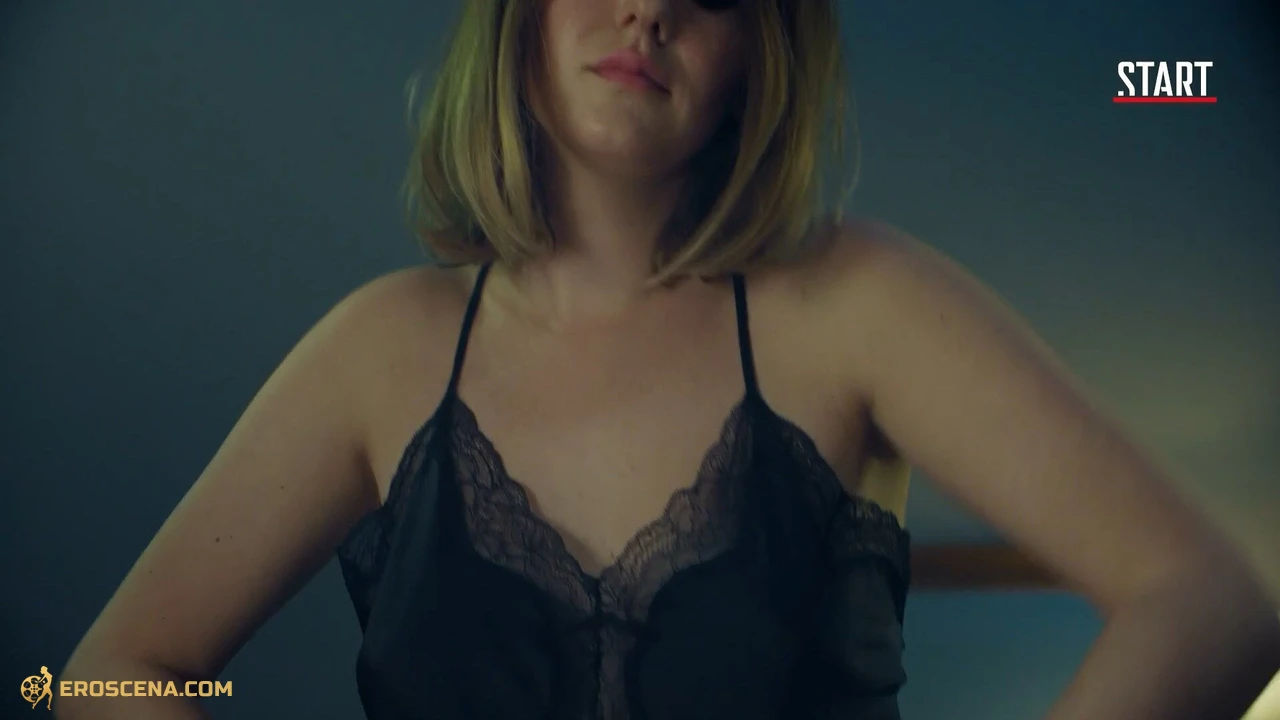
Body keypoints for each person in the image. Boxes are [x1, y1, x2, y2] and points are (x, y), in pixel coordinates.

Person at [60, 0, 1279, 718]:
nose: (649, 8)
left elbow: (1210, 603)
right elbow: (110, 675)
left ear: (760, 50)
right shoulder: (381, 350)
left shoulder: (855, 306)